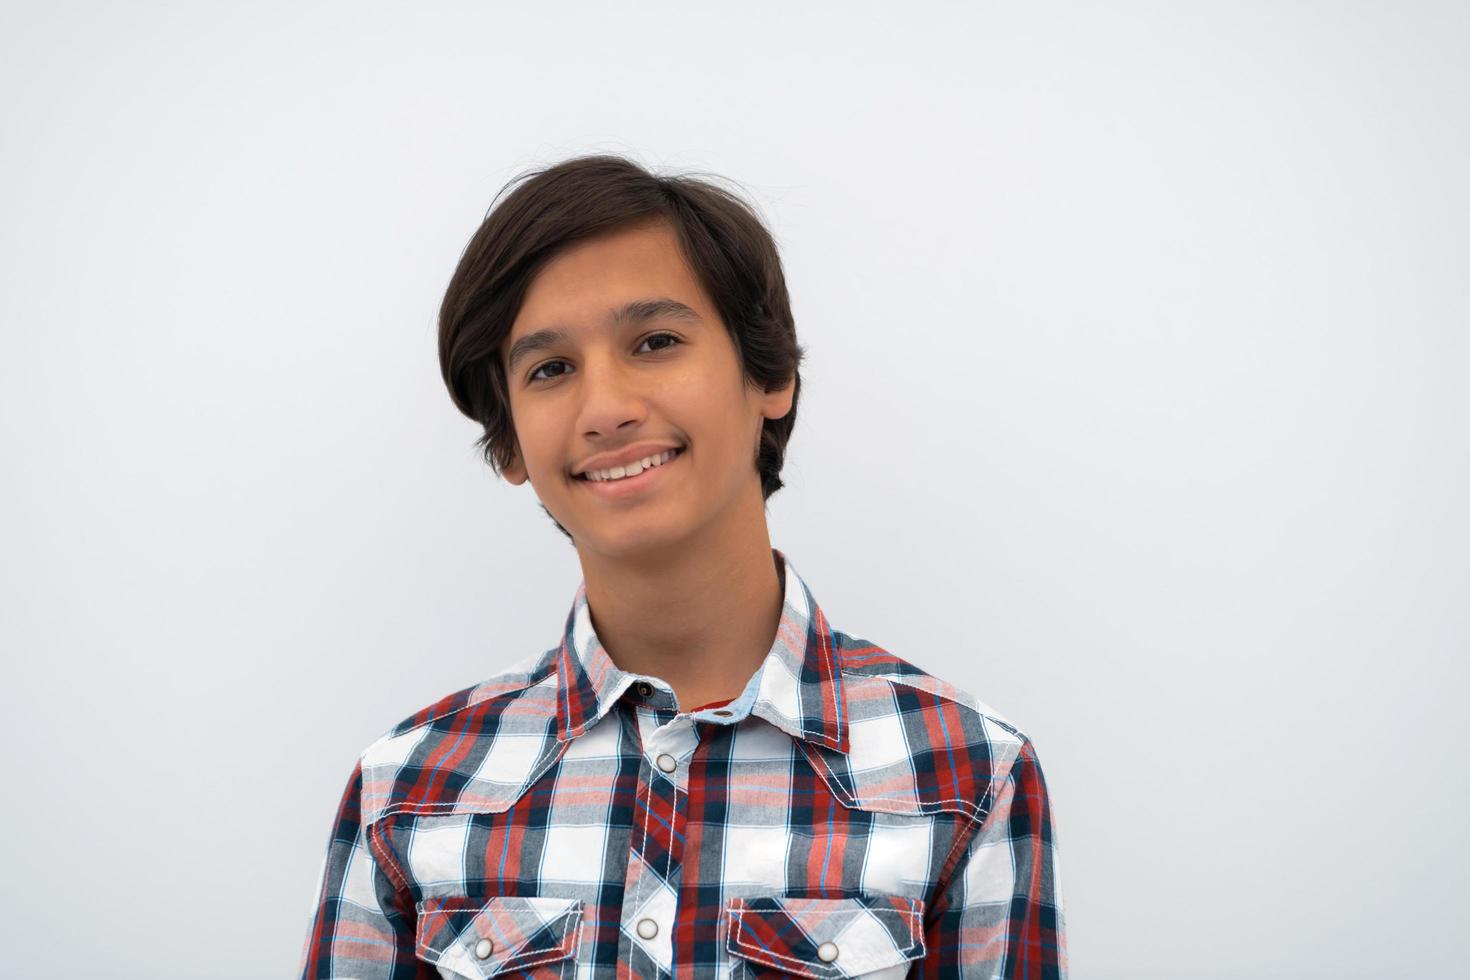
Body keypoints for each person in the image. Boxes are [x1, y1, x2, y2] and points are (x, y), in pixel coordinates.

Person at [296, 154, 1067, 978]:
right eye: (550, 369)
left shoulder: (966, 774)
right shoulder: (408, 792)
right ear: (511, 440)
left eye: (656, 341)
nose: (606, 410)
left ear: (769, 375)